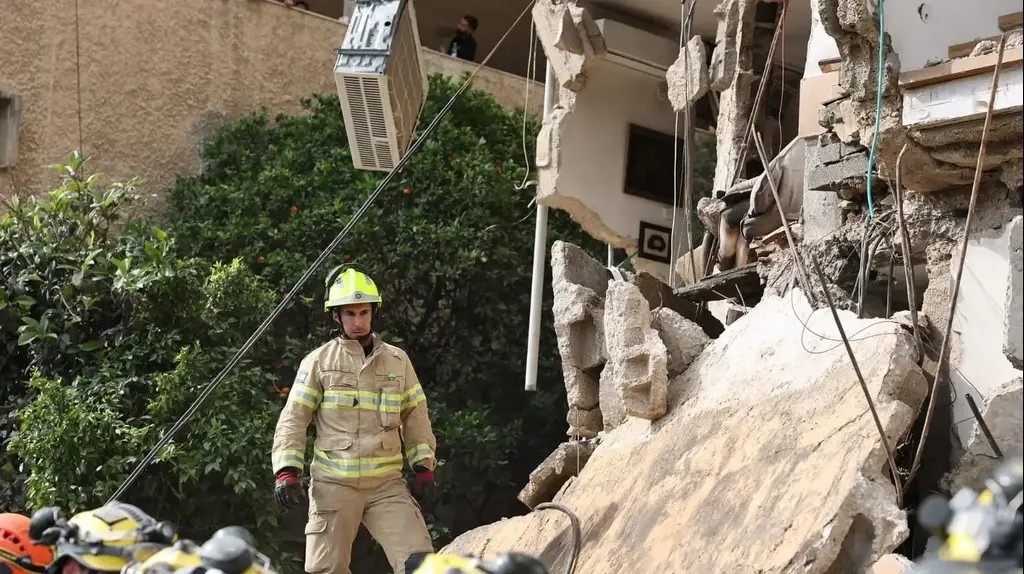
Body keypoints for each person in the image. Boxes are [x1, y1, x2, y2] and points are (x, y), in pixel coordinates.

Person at [271, 266, 438, 574]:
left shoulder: (398, 361)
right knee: (326, 570)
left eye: (364, 312)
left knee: (421, 565)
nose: (358, 322)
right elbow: (294, 418)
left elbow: (416, 415)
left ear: (374, 313)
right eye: (350, 314)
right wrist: (286, 471)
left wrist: (423, 466)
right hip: (334, 485)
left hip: (386, 485)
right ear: (336, 316)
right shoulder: (319, 362)